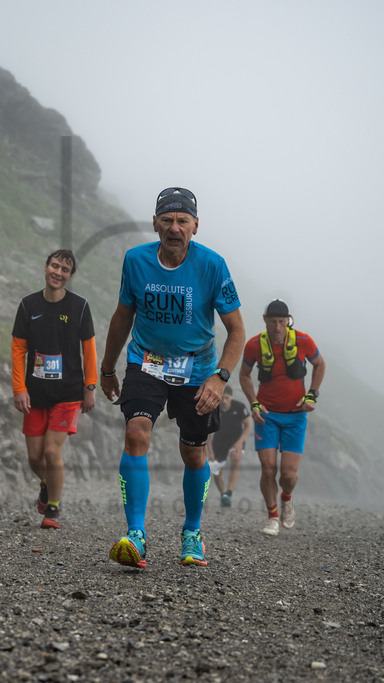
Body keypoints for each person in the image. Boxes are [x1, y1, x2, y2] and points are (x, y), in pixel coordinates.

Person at [99, 187, 245, 568]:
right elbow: (122, 318)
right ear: (154, 223)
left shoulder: (213, 265)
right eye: (167, 220)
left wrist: (220, 378)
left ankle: (192, 533)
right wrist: (107, 368)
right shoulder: (135, 261)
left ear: (196, 225)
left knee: (193, 453)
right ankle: (136, 534)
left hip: (198, 369)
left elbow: (237, 331)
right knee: (136, 433)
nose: (174, 228)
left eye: (182, 221)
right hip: (146, 361)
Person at [11, 249, 97, 529]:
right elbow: (18, 350)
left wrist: (90, 386)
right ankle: (47, 483)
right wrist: (19, 388)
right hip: (35, 394)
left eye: (65, 270)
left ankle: (53, 509)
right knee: (34, 457)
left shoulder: (80, 307)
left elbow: (89, 350)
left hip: (69, 392)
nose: (58, 273)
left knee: (51, 450)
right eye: (55, 266)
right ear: (46, 267)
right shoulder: (28, 305)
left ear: (70, 277)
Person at [239, 299, 325, 536]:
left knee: (288, 475)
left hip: (296, 417)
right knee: (268, 469)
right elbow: (244, 375)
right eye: (272, 322)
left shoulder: (304, 341)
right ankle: (272, 517)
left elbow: (320, 364)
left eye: (281, 322)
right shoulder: (254, 345)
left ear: (288, 321)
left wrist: (312, 395)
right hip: (266, 416)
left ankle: (286, 498)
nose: (277, 327)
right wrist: (253, 403)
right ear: (265, 320)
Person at [206, 385, 251, 508]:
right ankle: (223, 494)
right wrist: (210, 452)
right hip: (219, 442)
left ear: (231, 397)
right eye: (222, 398)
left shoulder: (240, 407)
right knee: (215, 470)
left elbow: (248, 425)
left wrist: (240, 442)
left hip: (236, 440)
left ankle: (230, 491)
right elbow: (208, 433)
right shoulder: (213, 409)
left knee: (235, 458)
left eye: (227, 398)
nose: (224, 401)